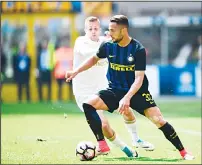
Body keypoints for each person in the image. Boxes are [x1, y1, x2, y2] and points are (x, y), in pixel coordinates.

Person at [66, 15, 194, 160]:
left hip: (137, 92)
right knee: (88, 105)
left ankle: (184, 152)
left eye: (112, 30)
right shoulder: (108, 45)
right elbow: (93, 59)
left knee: (158, 120)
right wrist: (75, 71)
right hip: (115, 90)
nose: (109, 34)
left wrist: (127, 98)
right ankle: (101, 143)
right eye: (108, 30)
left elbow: (139, 79)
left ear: (123, 31)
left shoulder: (138, 49)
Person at [72, 16, 154, 157]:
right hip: (84, 91)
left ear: (100, 29)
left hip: (103, 86)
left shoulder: (109, 42)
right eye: (90, 29)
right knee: (104, 124)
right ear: (85, 30)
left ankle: (136, 139)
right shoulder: (81, 42)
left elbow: (125, 43)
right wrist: (107, 45)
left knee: (126, 108)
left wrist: (110, 42)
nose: (93, 31)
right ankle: (125, 150)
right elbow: (89, 55)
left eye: (96, 28)